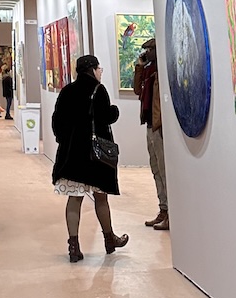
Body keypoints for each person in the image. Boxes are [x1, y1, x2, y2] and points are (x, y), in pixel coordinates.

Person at [51, 54, 128, 263]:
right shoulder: (98, 90)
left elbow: (57, 122)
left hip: (72, 156)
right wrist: (115, 111)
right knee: (101, 198)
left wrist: (65, 140)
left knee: (74, 199)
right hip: (96, 157)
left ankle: (74, 246)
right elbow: (106, 117)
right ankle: (109, 239)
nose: (101, 71)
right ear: (92, 69)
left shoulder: (67, 91)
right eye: (99, 68)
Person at [133, 37, 168, 230]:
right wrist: (139, 67)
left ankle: (170, 212)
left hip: (159, 126)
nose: (146, 53)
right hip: (149, 124)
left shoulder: (161, 71)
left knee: (164, 170)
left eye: (149, 50)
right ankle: (162, 209)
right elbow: (137, 89)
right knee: (155, 169)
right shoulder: (148, 70)